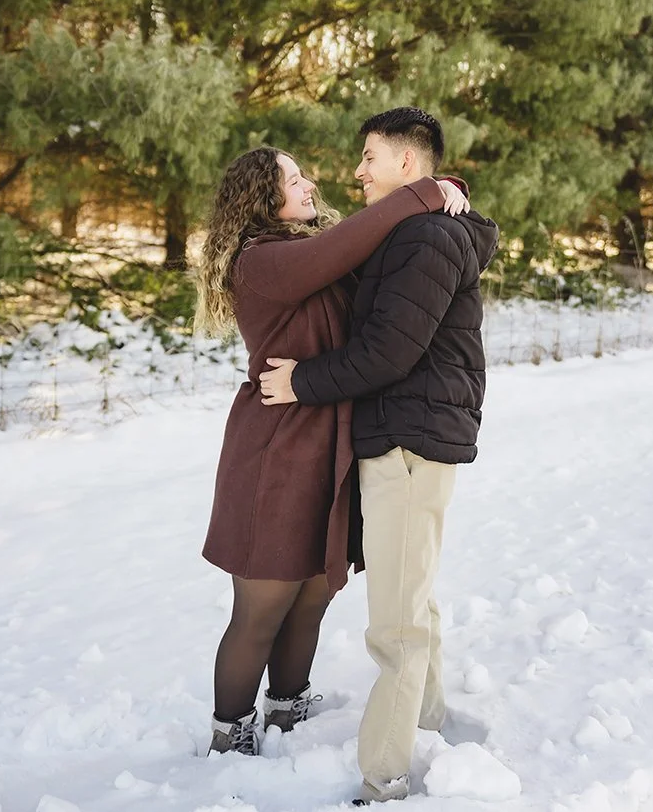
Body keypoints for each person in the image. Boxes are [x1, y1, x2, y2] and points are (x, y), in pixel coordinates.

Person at [195, 144, 467, 757]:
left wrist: (438, 193)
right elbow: (340, 246)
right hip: (276, 448)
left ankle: (288, 708)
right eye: (293, 179)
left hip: (332, 441)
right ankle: (229, 732)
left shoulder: (306, 252)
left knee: (315, 592)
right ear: (263, 197)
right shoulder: (261, 259)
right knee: (262, 605)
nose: (309, 184)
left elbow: (367, 253)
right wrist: (422, 190)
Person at [259, 108, 499, 804]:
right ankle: (428, 716)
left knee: (394, 621)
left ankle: (383, 776)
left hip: (408, 438)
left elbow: (388, 352)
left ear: (406, 165)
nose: (356, 170)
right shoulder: (415, 229)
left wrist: (299, 381)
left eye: (369, 157)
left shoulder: (425, 238)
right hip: (413, 434)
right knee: (412, 594)